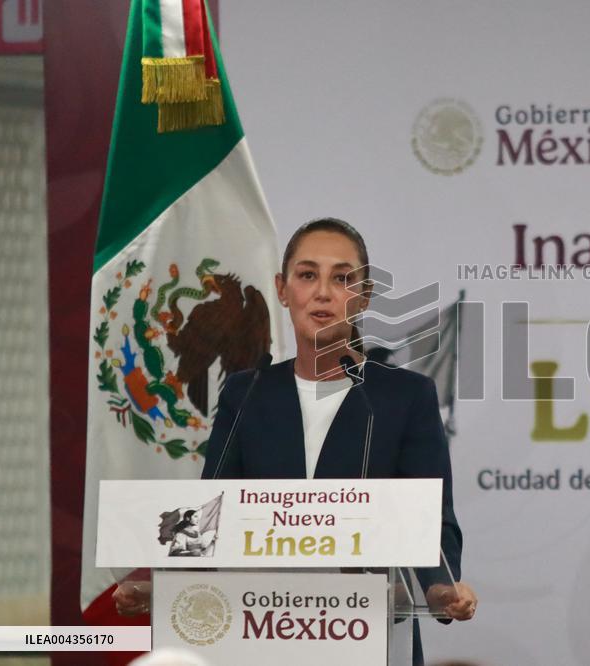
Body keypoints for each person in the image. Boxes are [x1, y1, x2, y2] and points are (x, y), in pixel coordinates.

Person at [204, 217, 476, 662]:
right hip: (263, 633)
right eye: (307, 275)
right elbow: (211, 513)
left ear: (364, 296)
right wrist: (165, 582)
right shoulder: (246, 392)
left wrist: (441, 589)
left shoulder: (403, 396)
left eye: (343, 278)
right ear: (282, 288)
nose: (323, 292)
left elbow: (431, 519)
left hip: (374, 635)